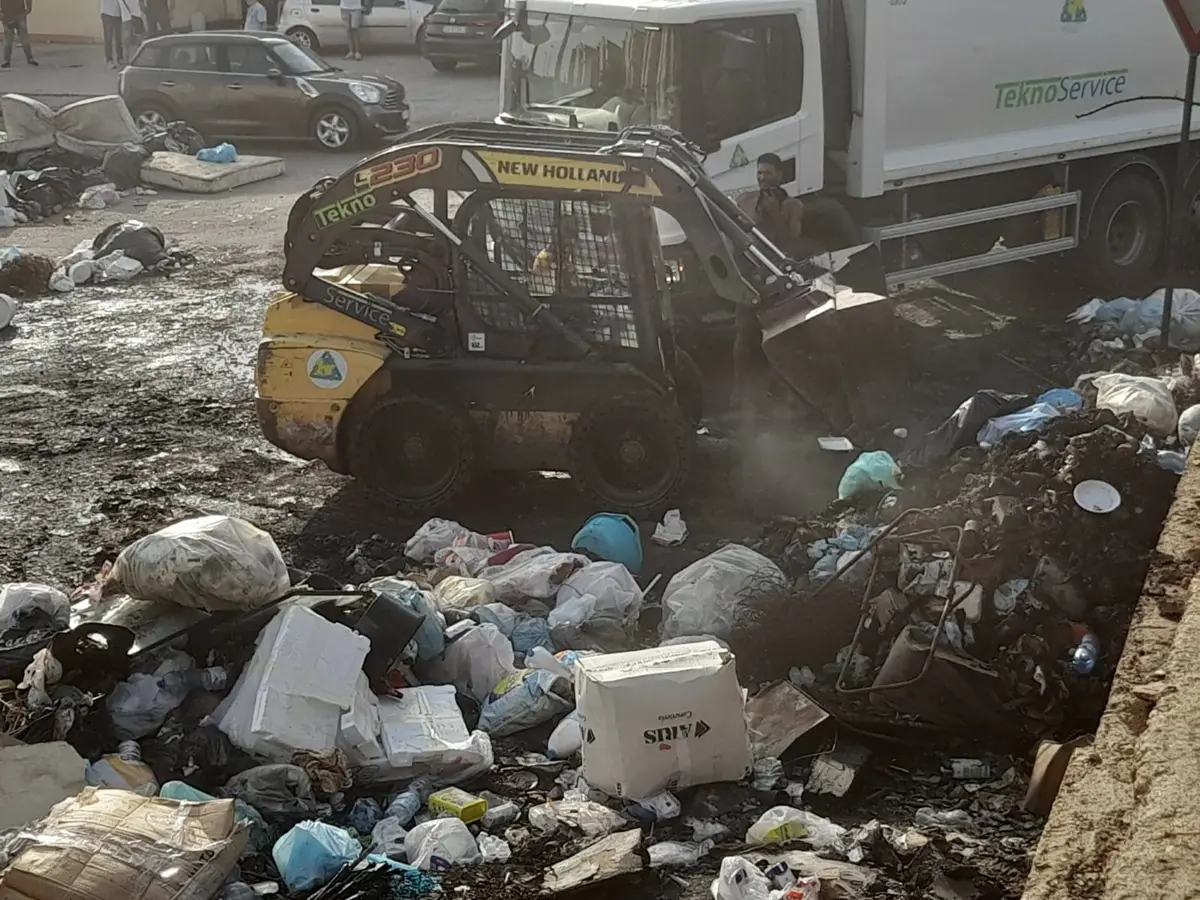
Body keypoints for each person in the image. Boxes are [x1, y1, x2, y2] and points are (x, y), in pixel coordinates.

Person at [732, 153, 806, 410]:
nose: (763, 179)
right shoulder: (745, 201)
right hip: (751, 277)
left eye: (768, 173)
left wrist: (774, 214)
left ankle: (783, 392)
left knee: (781, 334)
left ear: (780, 175)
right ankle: (743, 391)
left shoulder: (793, 206)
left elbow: (791, 244)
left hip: (779, 279)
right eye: (760, 173)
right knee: (744, 333)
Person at [0, 0, 36, 68]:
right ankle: (30, 59)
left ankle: (6, 61)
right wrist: (29, 8)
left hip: (6, 13)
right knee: (24, 37)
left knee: (8, 39)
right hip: (20, 13)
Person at [100, 0, 123, 66]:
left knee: (118, 37)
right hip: (107, 12)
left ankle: (120, 57)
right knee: (108, 37)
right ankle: (109, 59)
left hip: (118, 13)